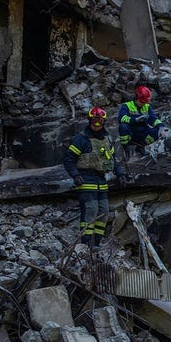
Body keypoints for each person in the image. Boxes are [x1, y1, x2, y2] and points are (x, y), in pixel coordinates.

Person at [62, 106, 126, 248]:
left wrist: (120, 173)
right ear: (90, 121)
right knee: (90, 210)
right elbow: (68, 159)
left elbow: (113, 159)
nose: (96, 125)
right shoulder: (81, 139)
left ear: (103, 122)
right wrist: (75, 175)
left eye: (99, 121)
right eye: (94, 121)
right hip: (86, 179)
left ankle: (96, 242)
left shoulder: (106, 139)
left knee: (103, 212)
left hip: (101, 180)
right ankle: (86, 243)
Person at [118, 85, 165, 155]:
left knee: (157, 131)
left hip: (143, 132)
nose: (143, 104)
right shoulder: (126, 105)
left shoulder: (147, 106)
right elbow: (121, 118)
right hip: (131, 133)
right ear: (136, 97)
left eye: (145, 102)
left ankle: (140, 147)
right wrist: (136, 119)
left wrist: (161, 126)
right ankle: (126, 150)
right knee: (123, 127)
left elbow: (153, 119)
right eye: (142, 102)